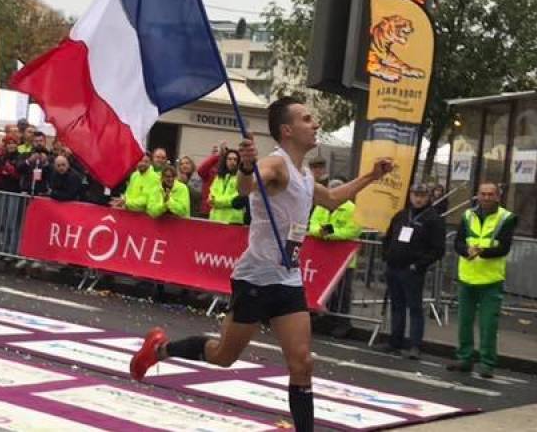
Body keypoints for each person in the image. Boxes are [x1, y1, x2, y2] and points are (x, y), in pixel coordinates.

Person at [129, 96, 393, 432]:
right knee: (223, 356)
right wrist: (244, 167)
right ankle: (159, 349)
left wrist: (371, 175)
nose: (316, 124)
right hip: (255, 280)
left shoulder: (304, 175)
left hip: (288, 279)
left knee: (303, 363)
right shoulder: (276, 165)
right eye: (307, 119)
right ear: (287, 130)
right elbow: (248, 186)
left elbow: (333, 198)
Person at [447, 182, 517, 378]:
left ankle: (487, 363)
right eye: (483, 194)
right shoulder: (468, 215)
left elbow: (504, 247)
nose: (486, 197)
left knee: (488, 325)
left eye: (490, 194)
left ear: (498, 197)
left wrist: (482, 252)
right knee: (464, 322)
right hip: (467, 277)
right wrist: (465, 250)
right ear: (477, 195)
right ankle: (465, 358)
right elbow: (458, 242)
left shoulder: (506, 218)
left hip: (490, 279)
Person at [379, 183, 446, 359]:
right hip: (394, 267)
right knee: (397, 306)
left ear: (429, 197)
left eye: (422, 195)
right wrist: (386, 256)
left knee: (415, 308)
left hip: (413, 270)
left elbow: (438, 249)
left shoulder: (433, 219)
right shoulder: (401, 215)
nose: (418, 198)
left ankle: (415, 345)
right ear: (410, 195)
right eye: (416, 195)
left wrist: (418, 265)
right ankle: (395, 341)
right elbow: (388, 237)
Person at [308, 178, 363, 339]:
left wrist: (329, 233)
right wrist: (320, 232)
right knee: (326, 292)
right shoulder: (320, 207)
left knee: (342, 294)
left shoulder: (352, 209)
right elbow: (312, 225)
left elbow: (352, 231)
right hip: (324, 258)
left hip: (344, 260)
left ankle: (343, 323)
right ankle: (326, 320)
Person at [208, 149, 245, 224]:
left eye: (235, 159)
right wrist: (214, 200)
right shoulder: (219, 177)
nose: (232, 161)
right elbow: (211, 195)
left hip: (232, 220)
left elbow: (235, 200)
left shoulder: (241, 177)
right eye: (229, 159)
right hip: (215, 219)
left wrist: (216, 202)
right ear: (225, 161)